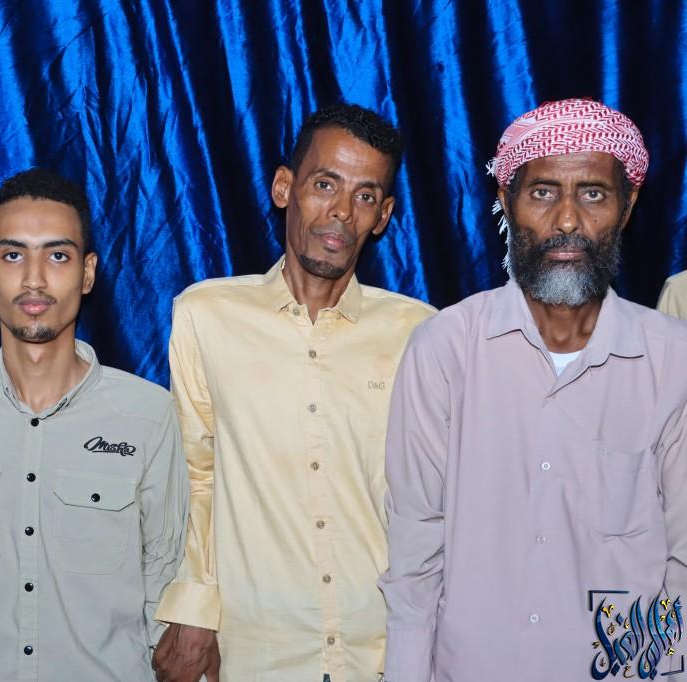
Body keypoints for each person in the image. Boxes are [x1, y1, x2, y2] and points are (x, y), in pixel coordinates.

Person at [381, 98, 687, 681]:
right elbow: (415, 557)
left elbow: (682, 564)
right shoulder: (446, 349)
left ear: (626, 208)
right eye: (543, 193)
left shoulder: (674, 361)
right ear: (506, 200)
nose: (567, 220)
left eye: (593, 194)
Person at [152, 104, 436, 682]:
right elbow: (196, 476)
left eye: (364, 196)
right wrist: (194, 608)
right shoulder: (207, 316)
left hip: (383, 649)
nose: (341, 212)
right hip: (256, 649)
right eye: (325, 185)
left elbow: (437, 498)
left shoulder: (419, 332)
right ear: (285, 187)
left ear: (383, 216)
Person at [0, 168, 188, 681]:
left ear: (87, 273)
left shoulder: (147, 415)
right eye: (13, 256)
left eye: (57, 256)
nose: (34, 279)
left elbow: (168, 591)